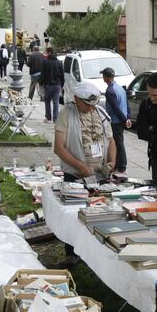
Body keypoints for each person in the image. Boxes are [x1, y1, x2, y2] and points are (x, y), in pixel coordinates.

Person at [54, 82, 116, 265]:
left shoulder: (101, 113)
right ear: (76, 99)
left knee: (99, 213)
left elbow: (111, 141)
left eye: (92, 104)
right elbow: (59, 148)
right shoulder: (66, 114)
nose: (90, 108)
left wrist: (112, 162)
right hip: (75, 175)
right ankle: (72, 254)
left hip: (99, 175)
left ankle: (95, 253)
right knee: (74, 216)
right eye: (86, 104)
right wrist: (81, 167)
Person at [102, 67, 131, 173]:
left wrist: (124, 120)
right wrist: (128, 118)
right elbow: (126, 105)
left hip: (115, 121)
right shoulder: (120, 88)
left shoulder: (110, 91)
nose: (103, 78)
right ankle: (119, 164)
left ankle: (122, 165)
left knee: (117, 143)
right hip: (121, 119)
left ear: (106, 77)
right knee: (119, 142)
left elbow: (116, 108)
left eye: (103, 76)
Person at [40, 46, 63, 123]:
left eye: (47, 52)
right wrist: (62, 84)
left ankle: (48, 117)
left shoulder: (45, 62)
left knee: (47, 101)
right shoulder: (59, 62)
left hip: (48, 85)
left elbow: (42, 74)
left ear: (49, 52)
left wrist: (41, 83)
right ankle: (55, 119)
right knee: (56, 102)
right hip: (57, 85)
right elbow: (62, 75)